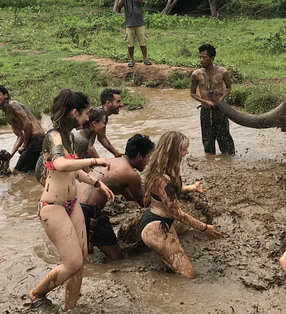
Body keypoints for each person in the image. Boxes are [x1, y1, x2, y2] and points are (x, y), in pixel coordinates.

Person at [29, 89, 114, 309]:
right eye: (85, 113)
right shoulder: (53, 136)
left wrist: (97, 183)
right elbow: (60, 165)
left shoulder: (70, 137)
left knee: (82, 257)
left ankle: (71, 307)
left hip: (71, 204)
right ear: (73, 112)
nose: (88, 118)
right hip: (53, 207)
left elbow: (72, 170)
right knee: (73, 262)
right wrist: (96, 162)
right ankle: (36, 294)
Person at [139, 131, 220, 278]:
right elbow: (176, 213)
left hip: (161, 224)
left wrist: (192, 188)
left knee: (177, 270)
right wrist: (204, 228)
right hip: (156, 228)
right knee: (188, 274)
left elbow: (167, 195)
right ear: (173, 152)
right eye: (183, 149)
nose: (186, 152)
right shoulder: (162, 178)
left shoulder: (164, 170)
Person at [78, 133, 156, 261]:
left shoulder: (114, 161)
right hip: (90, 210)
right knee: (116, 258)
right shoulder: (132, 174)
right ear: (139, 156)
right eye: (148, 157)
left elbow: (129, 196)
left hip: (75, 204)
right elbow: (143, 203)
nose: (148, 162)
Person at [0, 84, 46, 174]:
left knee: (17, 172)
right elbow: (20, 136)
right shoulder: (7, 116)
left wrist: (24, 145)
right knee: (33, 171)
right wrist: (10, 155)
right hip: (35, 140)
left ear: (5, 95)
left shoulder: (13, 105)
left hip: (36, 138)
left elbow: (28, 124)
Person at [190, 43, 236, 155]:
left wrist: (221, 99)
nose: (201, 60)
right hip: (206, 110)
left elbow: (228, 88)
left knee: (225, 138)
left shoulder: (223, 72)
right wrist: (205, 101)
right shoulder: (196, 74)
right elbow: (192, 93)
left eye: (204, 57)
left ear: (212, 58)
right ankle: (210, 162)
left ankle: (229, 159)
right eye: (200, 57)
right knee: (207, 140)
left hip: (221, 110)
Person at [113, 0, 152, 67]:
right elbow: (119, 5)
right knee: (130, 43)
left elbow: (143, 1)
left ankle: (145, 59)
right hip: (129, 23)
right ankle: (131, 59)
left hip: (139, 23)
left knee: (143, 42)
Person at [94, 88, 124, 158]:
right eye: (118, 102)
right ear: (108, 103)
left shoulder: (104, 115)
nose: (121, 104)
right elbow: (88, 147)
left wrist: (116, 153)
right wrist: (100, 163)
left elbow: (102, 138)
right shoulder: (98, 116)